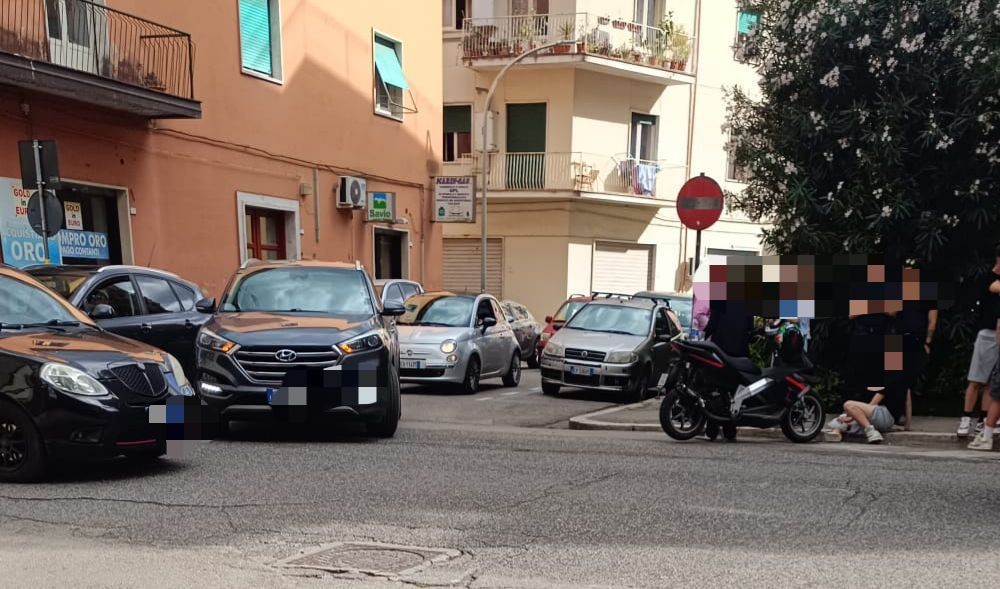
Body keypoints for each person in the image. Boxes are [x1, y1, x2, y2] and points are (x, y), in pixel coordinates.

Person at [958, 246, 1000, 437]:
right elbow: (995, 287)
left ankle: (983, 420)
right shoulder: (987, 278)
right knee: (976, 379)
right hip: (987, 333)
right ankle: (966, 418)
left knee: (992, 382)